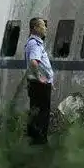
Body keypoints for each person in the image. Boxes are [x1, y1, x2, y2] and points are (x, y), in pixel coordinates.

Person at [24, 17, 54, 145]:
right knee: (41, 114)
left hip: (39, 84)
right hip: (39, 85)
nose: (45, 28)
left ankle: (35, 141)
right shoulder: (34, 44)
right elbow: (34, 62)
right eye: (43, 26)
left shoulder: (35, 43)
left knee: (38, 113)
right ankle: (39, 142)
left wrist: (49, 80)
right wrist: (40, 77)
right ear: (35, 28)